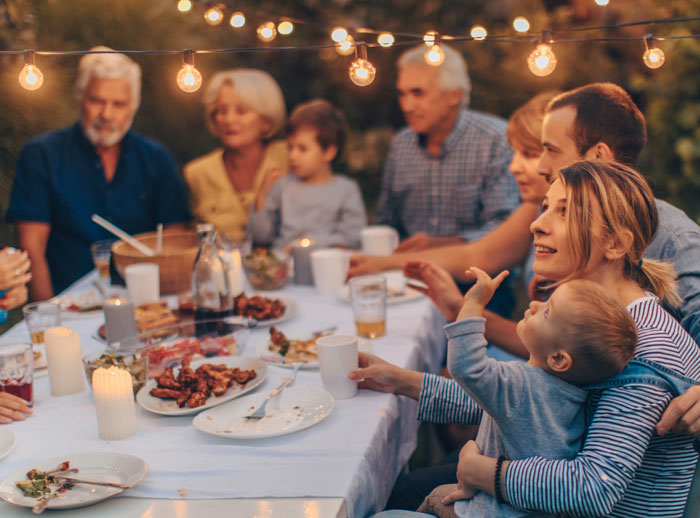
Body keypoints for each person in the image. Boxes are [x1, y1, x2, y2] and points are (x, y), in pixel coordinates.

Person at [356, 160, 700, 517]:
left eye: (564, 212)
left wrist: (485, 473)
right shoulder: (592, 316)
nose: (537, 223)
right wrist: (401, 381)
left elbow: (592, 489)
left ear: (614, 243)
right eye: (547, 206)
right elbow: (524, 401)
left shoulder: (641, 351)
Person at [414, 267, 637, 518]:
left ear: (559, 359)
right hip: (531, 510)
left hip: (490, 511)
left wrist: (472, 304)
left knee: (419, 502)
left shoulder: (520, 384)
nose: (534, 305)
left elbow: (466, 366)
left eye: (548, 311)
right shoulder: (578, 397)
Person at [6, 47, 191, 301]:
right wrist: (49, 314)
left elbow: (173, 240)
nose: (106, 114)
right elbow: (32, 249)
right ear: (79, 98)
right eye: (97, 100)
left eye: (118, 104)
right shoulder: (41, 154)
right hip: (70, 303)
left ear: (133, 108)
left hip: (145, 299)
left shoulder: (156, 158)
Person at [375, 43, 519, 252]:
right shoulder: (401, 144)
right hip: (408, 275)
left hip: (480, 277)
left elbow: (506, 228)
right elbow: (386, 222)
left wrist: (439, 245)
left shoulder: (496, 140)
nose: (407, 106)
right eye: (402, 94)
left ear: (455, 95)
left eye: (418, 93)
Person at [184, 69, 289, 242]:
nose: (229, 120)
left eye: (241, 111)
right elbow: (191, 240)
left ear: (266, 120)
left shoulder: (289, 157)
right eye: (222, 111)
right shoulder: (197, 173)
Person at [247, 98, 366, 249]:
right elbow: (260, 236)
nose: (292, 156)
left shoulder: (346, 190)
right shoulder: (283, 186)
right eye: (290, 147)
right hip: (284, 266)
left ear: (328, 152)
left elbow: (352, 238)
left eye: (302, 148)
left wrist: (306, 245)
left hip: (326, 264)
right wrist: (262, 196)